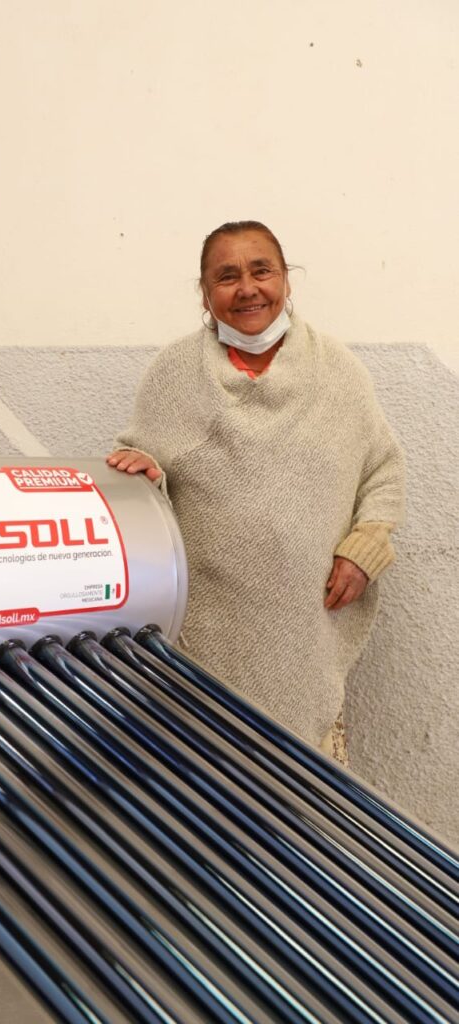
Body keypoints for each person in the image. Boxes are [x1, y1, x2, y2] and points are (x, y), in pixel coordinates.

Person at [107, 221, 405, 760]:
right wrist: (141, 471)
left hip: (306, 628)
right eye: (226, 277)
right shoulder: (174, 373)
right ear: (205, 294)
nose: (247, 288)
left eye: (261, 270)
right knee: (213, 786)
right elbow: (145, 463)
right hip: (207, 632)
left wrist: (364, 551)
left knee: (304, 789)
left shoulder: (337, 370)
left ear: (286, 279)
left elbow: (382, 469)